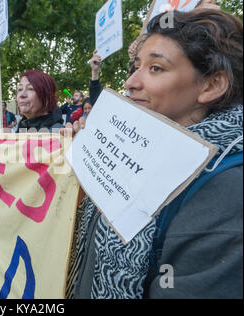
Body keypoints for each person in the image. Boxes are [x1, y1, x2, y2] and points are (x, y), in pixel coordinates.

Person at [65, 9, 243, 299]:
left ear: (211, 85)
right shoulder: (132, 147)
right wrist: (87, 161)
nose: (131, 83)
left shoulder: (228, 192)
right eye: (136, 67)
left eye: (155, 68)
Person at [70, 50, 103, 123]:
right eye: (85, 108)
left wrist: (95, 71)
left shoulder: (101, 119)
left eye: (90, 108)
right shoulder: (81, 119)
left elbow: (95, 92)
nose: (87, 111)